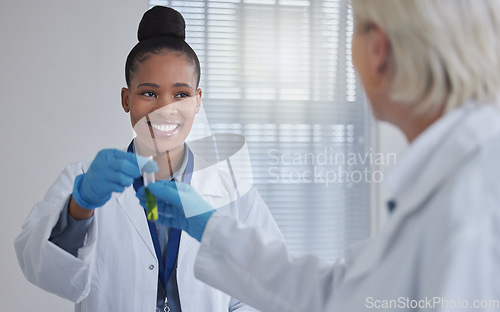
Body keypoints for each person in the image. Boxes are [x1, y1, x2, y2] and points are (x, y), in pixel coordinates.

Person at [140, 0, 500, 311]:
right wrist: (210, 227)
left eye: (354, 30)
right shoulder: (458, 177)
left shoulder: (471, 198)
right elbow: (339, 294)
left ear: (379, 50)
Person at [14, 6, 282, 312]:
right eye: (149, 94)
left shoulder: (234, 195)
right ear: (126, 99)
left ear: (197, 102)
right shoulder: (84, 180)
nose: (165, 109)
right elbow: (45, 273)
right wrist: (81, 206)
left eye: (181, 94)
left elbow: (266, 292)